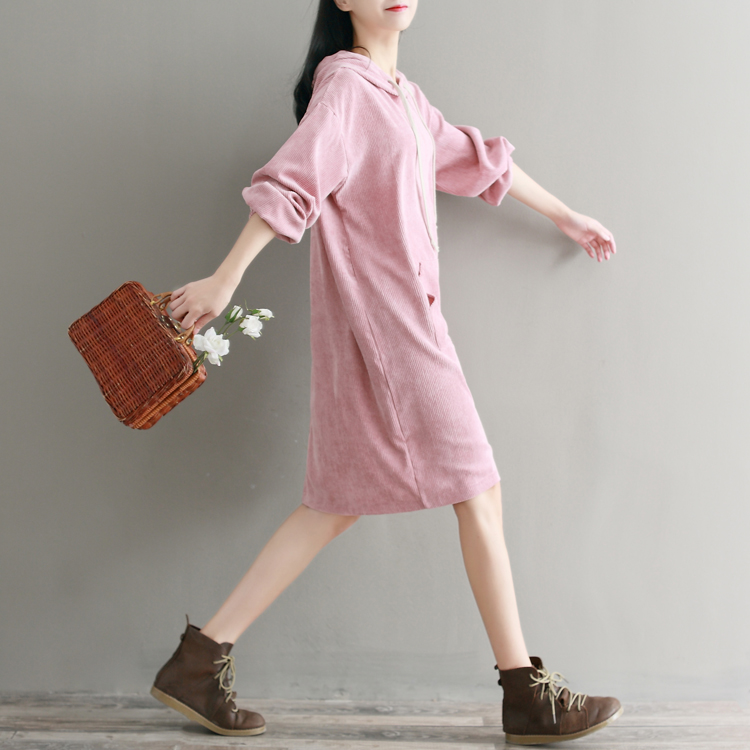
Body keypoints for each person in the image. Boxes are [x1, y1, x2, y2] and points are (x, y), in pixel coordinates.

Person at [149, 0, 622, 745]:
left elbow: (477, 160)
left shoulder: (403, 99)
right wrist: (224, 279)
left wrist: (564, 214)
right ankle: (526, 695)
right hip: (395, 332)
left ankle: (197, 663)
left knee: (334, 503)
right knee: (478, 487)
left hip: (394, 327)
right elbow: (292, 184)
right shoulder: (346, 88)